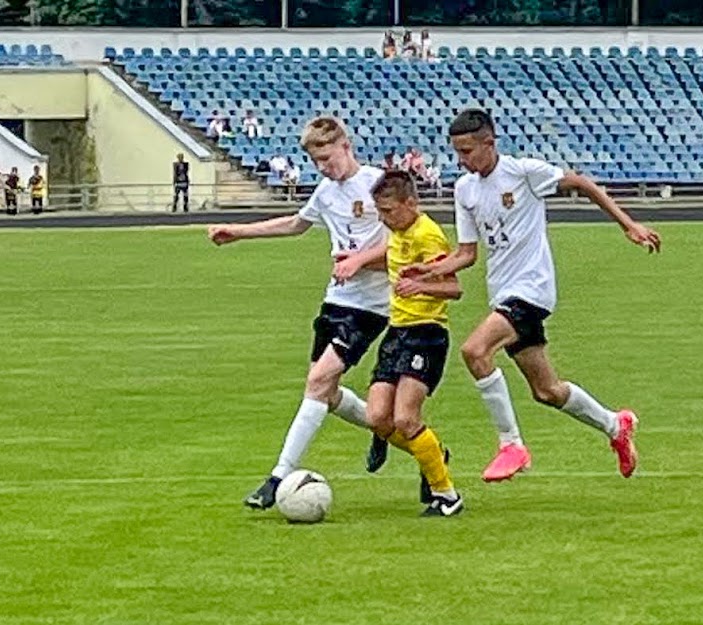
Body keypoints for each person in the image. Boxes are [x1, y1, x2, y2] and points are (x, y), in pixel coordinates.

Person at [404, 109, 662, 482]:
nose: (462, 160)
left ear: (489, 143)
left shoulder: (524, 172)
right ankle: (615, 426)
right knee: (547, 391)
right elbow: (466, 254)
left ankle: (511, 445)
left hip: (532, 289)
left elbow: (583, 183)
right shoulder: (465, 190)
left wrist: (629, 225)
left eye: (467, 151)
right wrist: (429, 270)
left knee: (475, 351)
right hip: (503, 293)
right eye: (457, 152)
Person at [208, 115, 392, 510]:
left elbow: (405, 244)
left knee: (318, 380)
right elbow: (295, 224)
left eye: (328, 157)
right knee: (324, 394)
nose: (325, 168)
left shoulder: (379, 185)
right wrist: (237, 233)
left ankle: (277, 477)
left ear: (346, 145)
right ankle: (389, 430)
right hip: (336, 302)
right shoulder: (326, 192)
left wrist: (359, 260)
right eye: (316, 162)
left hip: (373, 307)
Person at [363, 170, 464, 516]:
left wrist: (421, 287)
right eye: (380, 212)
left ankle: (447, 496)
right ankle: (434, 453)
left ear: (410, 203)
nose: (384, 219)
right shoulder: (398, 232)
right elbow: (394, 264)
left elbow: (454, 288)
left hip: (427, 333)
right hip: (397, 331)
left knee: (406, 419)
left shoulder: (428, 235)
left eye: (389, 211)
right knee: (376, 417)